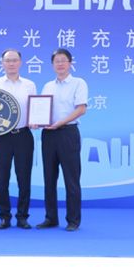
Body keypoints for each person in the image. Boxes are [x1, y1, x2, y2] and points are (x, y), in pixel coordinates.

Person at [37, 48, 87, 232]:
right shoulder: (48, 86)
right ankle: (51, 218)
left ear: (70, 63)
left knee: (71, 179)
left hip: (68, 133)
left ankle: (73, 220)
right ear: (52, 65)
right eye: (56, 61)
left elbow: (81, 109)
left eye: (63, 60)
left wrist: (60, 123)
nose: (60, 64)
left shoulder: (78, 83)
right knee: (49, 178)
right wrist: (36, 121)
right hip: (49, 134)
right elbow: (41, 110)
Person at [0, 49, 37, 229]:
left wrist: (35, 120)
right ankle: (4, 216)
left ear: (20, 63)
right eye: (8, 60)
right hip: (1, 138)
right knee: (2, 179)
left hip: (23, 135)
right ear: (2, 63)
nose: (11, 63)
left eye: (14, 60)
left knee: (24, 178)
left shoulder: (29, 85)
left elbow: (35, 108)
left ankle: (22, 217)